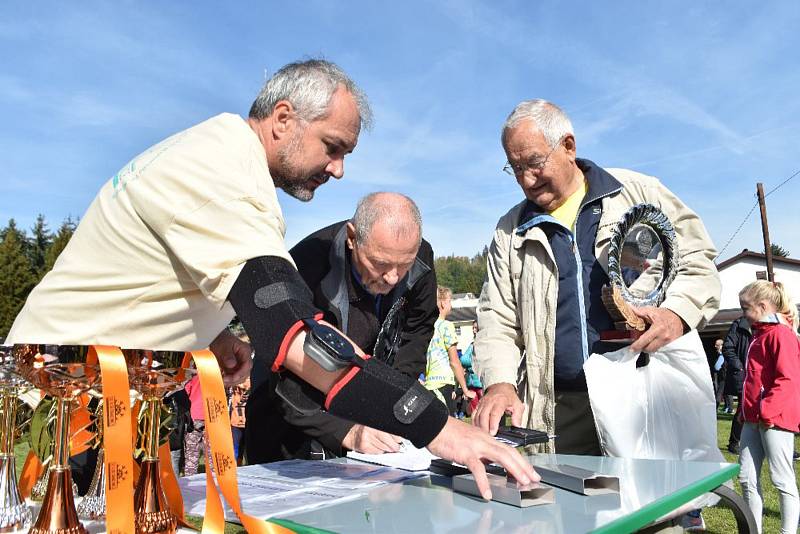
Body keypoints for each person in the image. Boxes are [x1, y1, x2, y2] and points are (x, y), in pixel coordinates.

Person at [6, 59, 536, 497]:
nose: (338, 170)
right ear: (284, 118)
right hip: (74, 384)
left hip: (126, 380)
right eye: (333, 147)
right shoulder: (225, 173)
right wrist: (438, 426)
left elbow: (154, 268)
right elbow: (296, 337)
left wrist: (212, 334)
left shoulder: (216, 154)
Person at [472, 99, 721, 456]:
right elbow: (497, 317)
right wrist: (499, 382)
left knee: (652, 505)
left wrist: (677, 314)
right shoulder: (510, 230)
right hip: (561, 409)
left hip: (643, 395)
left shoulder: (637, 192)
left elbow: (698, 260)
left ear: (568, 147)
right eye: (514, 168)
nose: (526, 179)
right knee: (561, 506)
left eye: (534, 163)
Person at [246, 192, 438, 462]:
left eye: (403, 265)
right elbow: (285, 370)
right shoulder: (304, 266)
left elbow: (417, 329)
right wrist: (345, 430)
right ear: (352, 238)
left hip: (363, 405)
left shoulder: (419, 257)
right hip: (285, 411)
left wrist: (394, 403)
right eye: (380, 264)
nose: (393, 277)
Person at [736, 280, 800, 534]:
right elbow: (754, 380)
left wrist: (767, 411)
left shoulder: (781, 334)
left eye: (745, 308)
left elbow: (789, 378)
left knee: (782, 480)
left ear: (762, 306)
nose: (743, 314)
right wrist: (745, 411)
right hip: (754, 419)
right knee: (746, 478)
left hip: (775, 419)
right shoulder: (759, 334)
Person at [424, 287, 474, 416]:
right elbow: (454, 361)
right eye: (450, 301)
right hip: (442, 382)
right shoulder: (446, 326)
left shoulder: (425, 327)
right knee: (448, 426)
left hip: (429, 384)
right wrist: (465, 389)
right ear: (443, 303)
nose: (451, 304)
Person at [723, 315, 752, 454]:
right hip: (744, 374)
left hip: (760, 374)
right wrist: (739, 366)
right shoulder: (740, 324)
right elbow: (728, 348)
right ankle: (734, 442)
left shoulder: (768, 322)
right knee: (742, 409)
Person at [458, 321, 484, 417]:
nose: (474, 330)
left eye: (476, 328)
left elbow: (480, 360)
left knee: (484, 409)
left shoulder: (484, 344)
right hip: (472, 383)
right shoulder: (472, 344)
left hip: (482, 383)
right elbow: (463, 360)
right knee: (474, 411)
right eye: (473, 328)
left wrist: (470, 362)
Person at [229, 376, 250, 463]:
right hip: (236, 419)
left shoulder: (250, 380)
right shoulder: (234, 380)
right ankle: (237, 467)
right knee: (237, 447)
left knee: (243, 447)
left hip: (247, 420)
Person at [708, 338, 731, 412]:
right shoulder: (723, 354)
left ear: (721, 346)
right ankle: (728, 408)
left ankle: (716, 408)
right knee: (726, 393)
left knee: (720, 393)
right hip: (724, 376)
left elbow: (718, 367)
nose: (715, 346)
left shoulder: (723, 355)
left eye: (717, 345)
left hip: (724, 377)